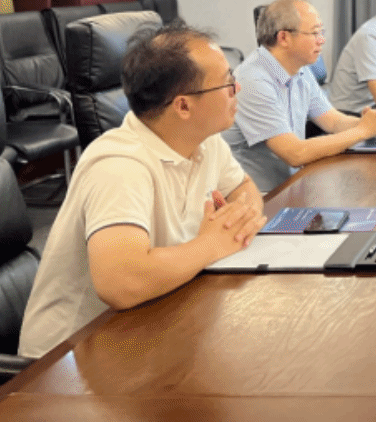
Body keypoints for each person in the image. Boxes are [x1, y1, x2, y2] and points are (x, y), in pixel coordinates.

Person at [19, 23, 266, 359]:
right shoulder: (119, 164)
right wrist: (212, 243)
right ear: (183, 106)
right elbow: (121, 282)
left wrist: (238, 220)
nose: (237, 87)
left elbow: (244, 189)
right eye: (226, 82)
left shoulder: (205, 141)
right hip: (68, 357)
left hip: (149, 320)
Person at [224, 0, 376, 191]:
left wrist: (369, 122)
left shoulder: (300, 70)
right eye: (314, 33)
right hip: (259, 197)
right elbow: (295, 154)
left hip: (292, 186)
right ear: (284, 38)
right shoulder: (252, 80)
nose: (322, 40)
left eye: (321, 32)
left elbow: (333, 121)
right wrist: (362, 131)